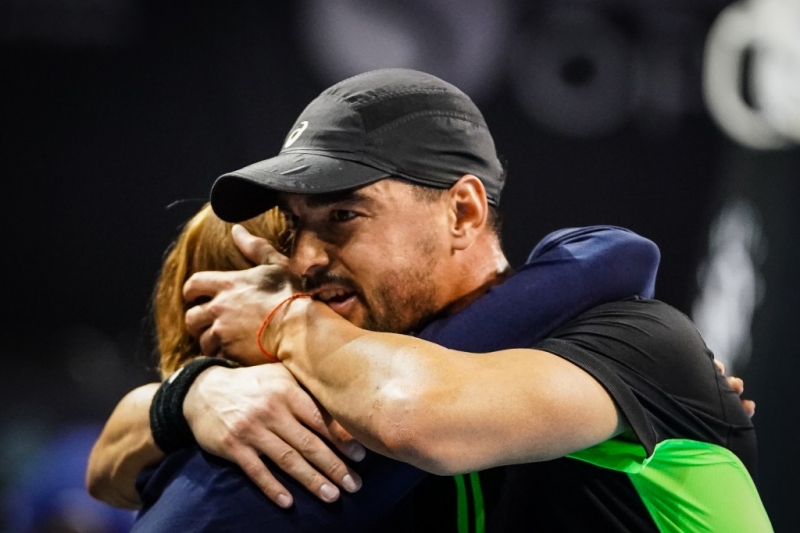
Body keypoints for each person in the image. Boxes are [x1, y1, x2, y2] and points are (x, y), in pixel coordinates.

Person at [91, 68, 767, 531]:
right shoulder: (357, 386)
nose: (304, 259)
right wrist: (194, 395)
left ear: (463, 212)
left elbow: (417, 416)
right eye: (296, 228)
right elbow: (108, 470)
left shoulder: (632, 343)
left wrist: (282, 319)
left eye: (343, 216)